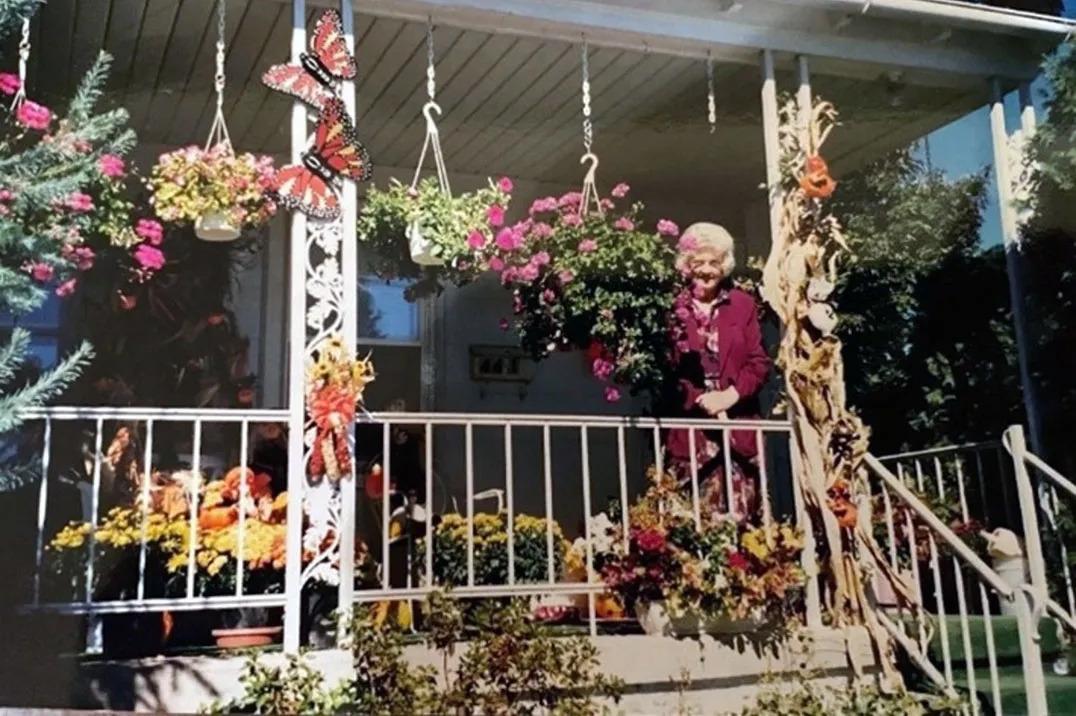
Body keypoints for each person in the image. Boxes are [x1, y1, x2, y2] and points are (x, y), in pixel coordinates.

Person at [662, 222, 771, 517]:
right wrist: (700, 397)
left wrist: (731, 395)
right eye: (698, 263)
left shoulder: (742, 305)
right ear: (686, 265)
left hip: (738, 426)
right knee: (690, 522)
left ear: (724, 265)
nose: (707, 270)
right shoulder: (670, 306)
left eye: (715, 262)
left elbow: (758, 362)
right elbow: (665, 368)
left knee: (743, 524)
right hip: (692, 431)